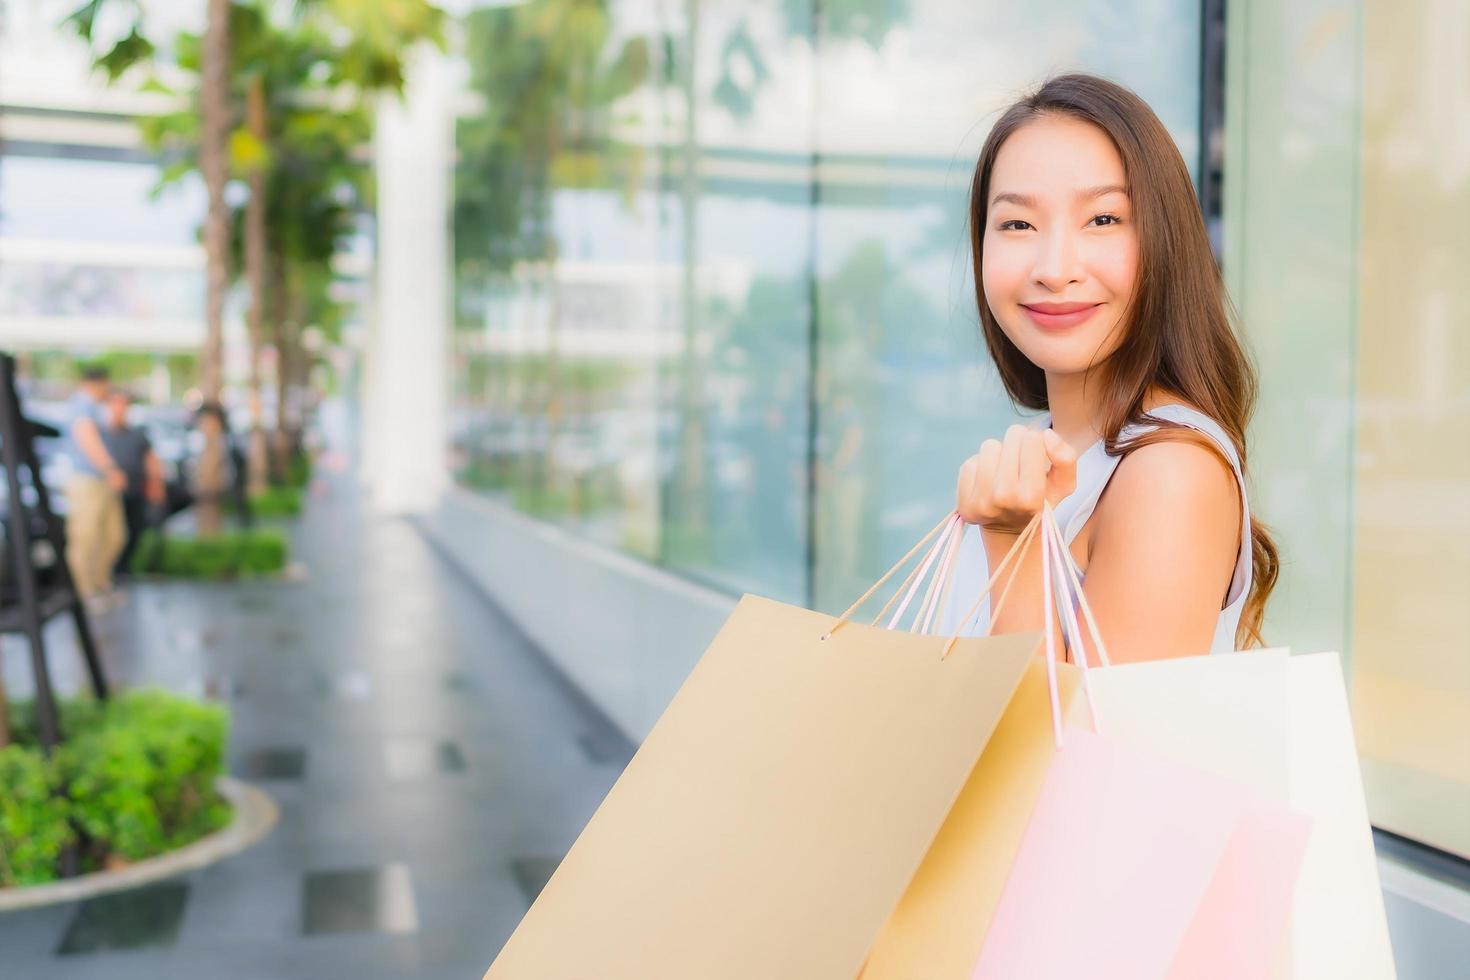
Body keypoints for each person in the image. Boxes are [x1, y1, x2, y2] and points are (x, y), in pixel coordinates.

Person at [943, 73, 1279, 663]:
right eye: (1017, 224)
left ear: (1164, 242)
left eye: (1102, 219)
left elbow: (1082, 749)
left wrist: (1011, 541)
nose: (1054, 267)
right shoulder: (1054, 458)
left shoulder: (1170, 470)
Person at [61, 365, 127, 608]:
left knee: (112, 535)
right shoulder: (82, 405)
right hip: (87, 481)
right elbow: (86, 438)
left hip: (100, 481)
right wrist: (110, 468)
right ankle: (84, 593)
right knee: (86, 538)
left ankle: (99, 585)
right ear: (99, 383)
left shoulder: (94, 407)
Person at [100, 389, 166, 576]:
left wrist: (156, 484)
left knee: (134, 530)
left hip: (134, 489)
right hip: (110, 492)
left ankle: (122, 569)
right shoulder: (101, 433)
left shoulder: (137, 434)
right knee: (113, 533)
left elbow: (150, 459)